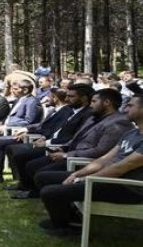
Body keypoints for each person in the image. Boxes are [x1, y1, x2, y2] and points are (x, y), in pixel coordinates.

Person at [35, 93, 143, 237]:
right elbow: (104, 159)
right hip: (107, 179)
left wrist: (87, 179)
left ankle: (67, 228)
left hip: (128, 188)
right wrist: (77, 174)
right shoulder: (132, 133)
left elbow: (120, 168)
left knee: (50, 192)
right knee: (44, 178)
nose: (125, 109)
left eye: (130, 106)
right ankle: (70, 219)